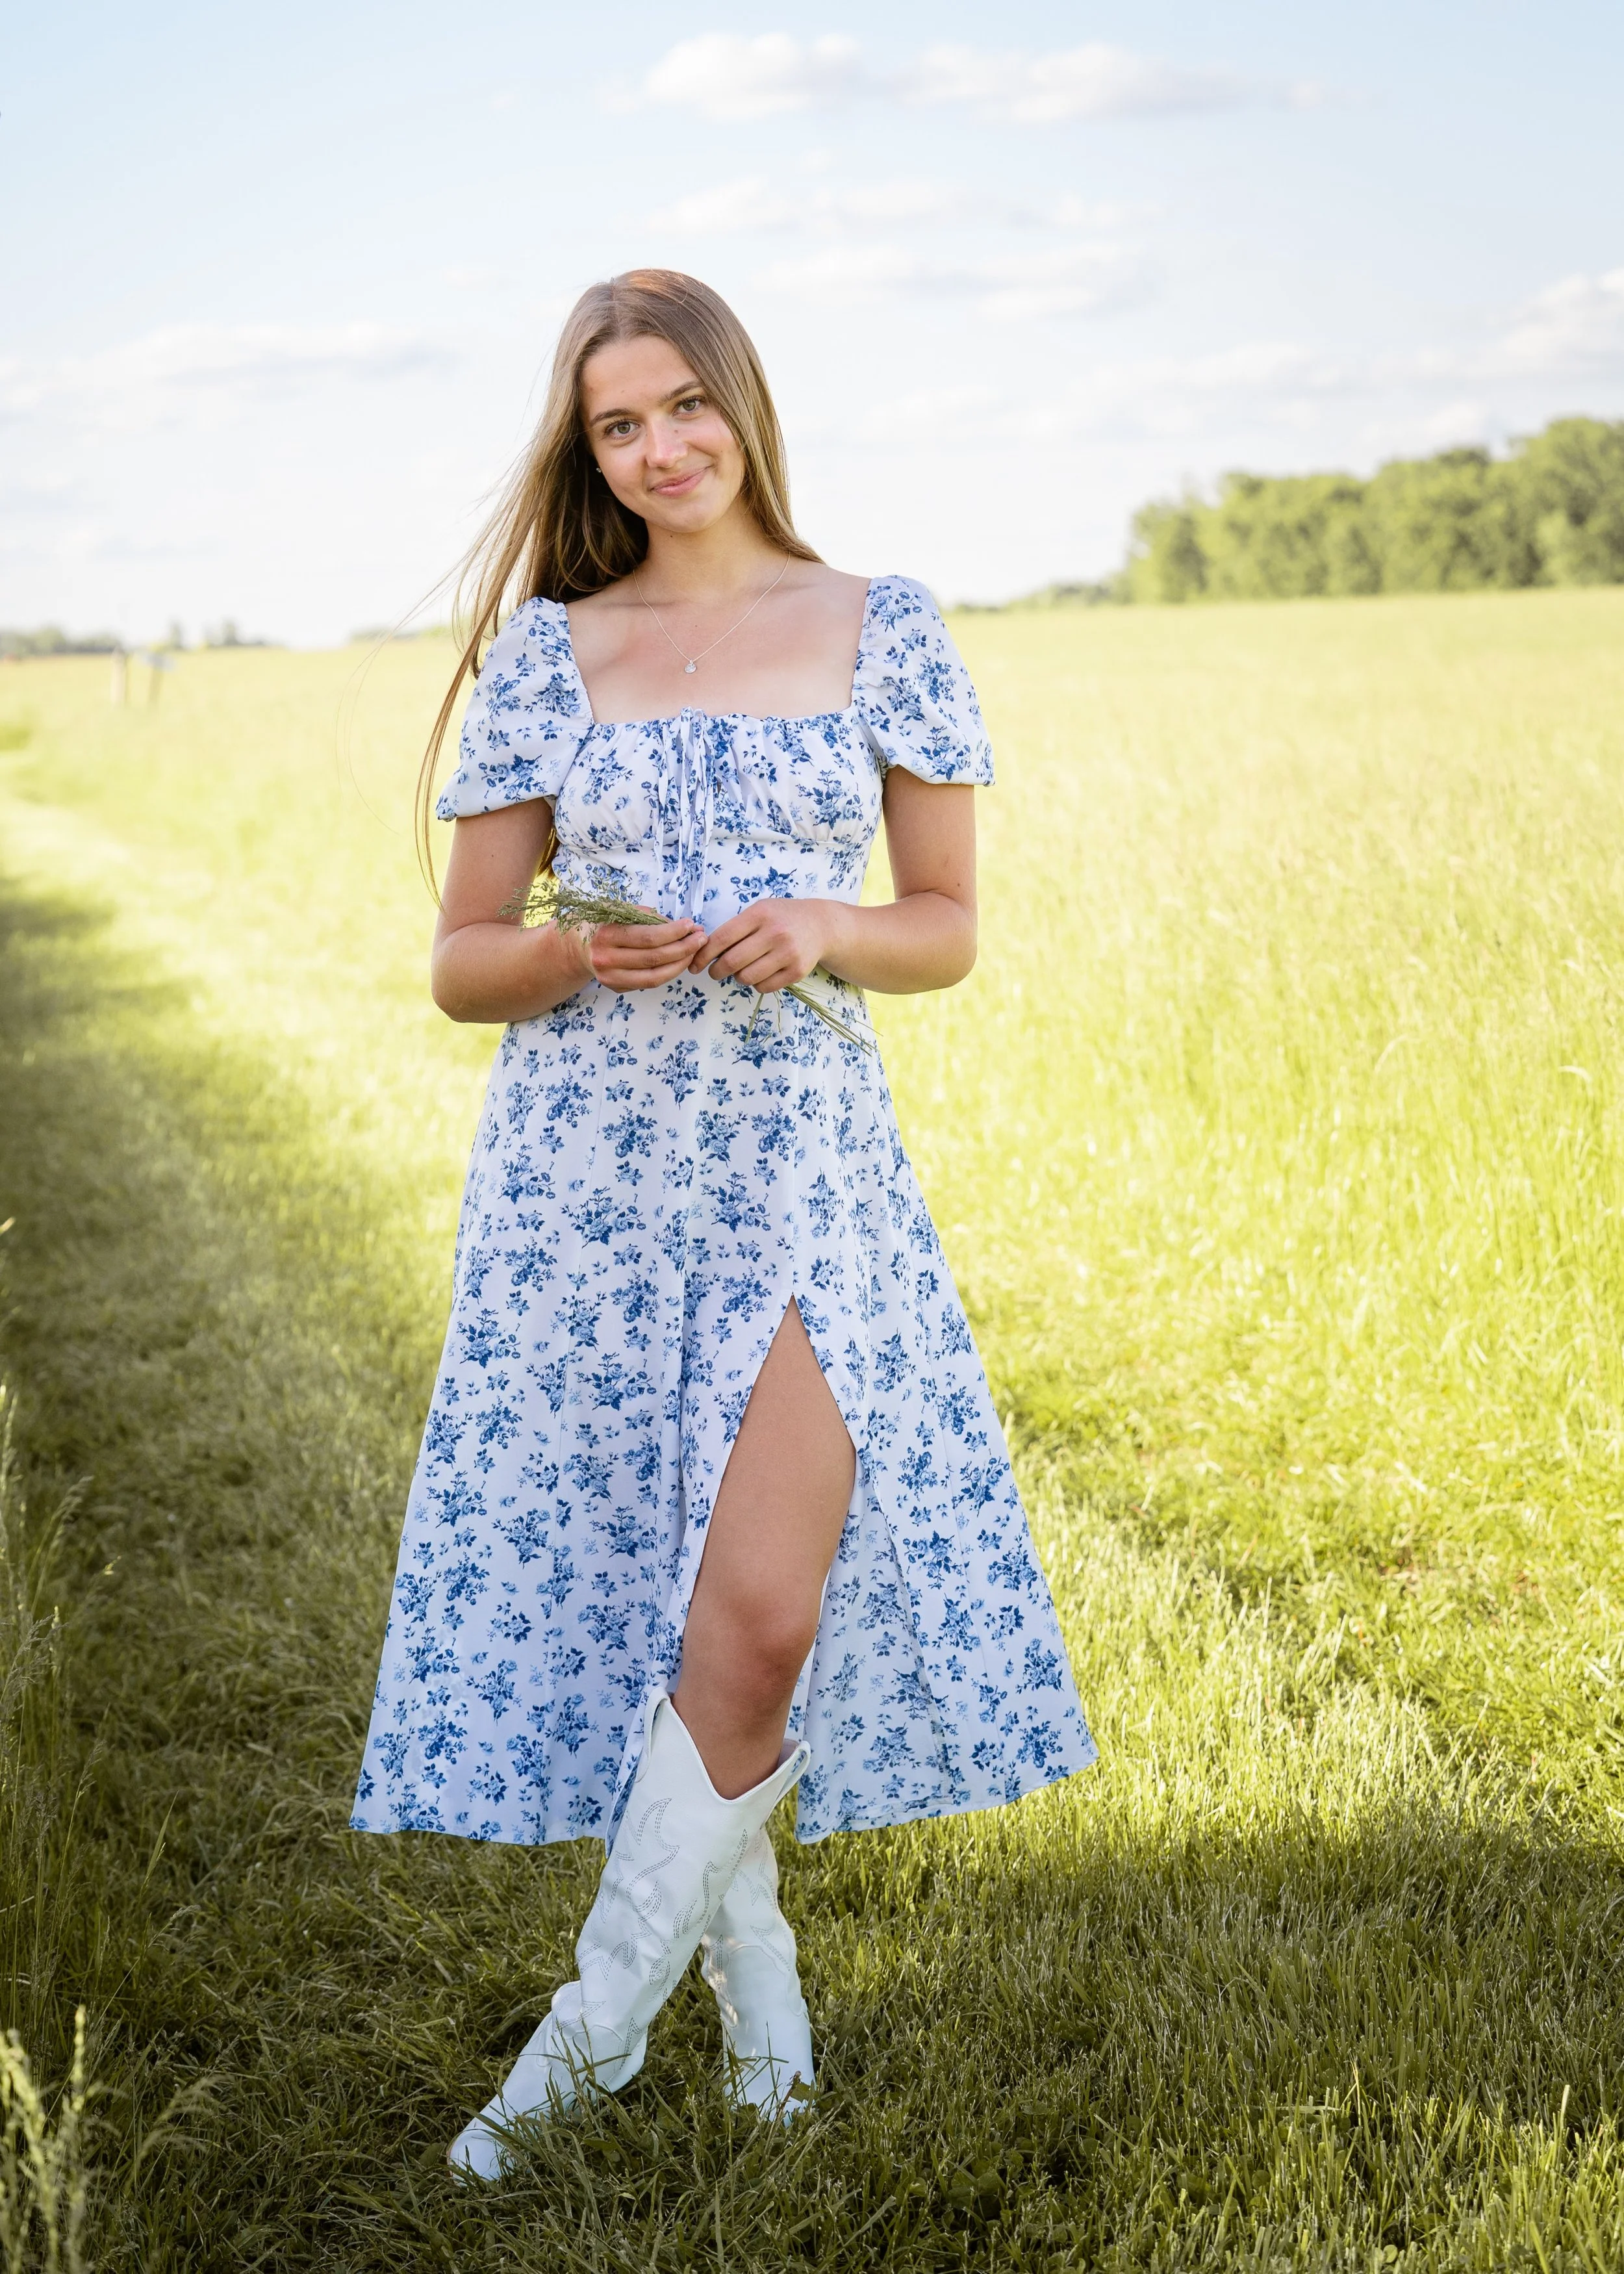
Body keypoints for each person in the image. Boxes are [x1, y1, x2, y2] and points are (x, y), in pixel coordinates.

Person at [350, 268, 1097, 2180]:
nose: (660, 447)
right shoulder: (549, 651)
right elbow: (458, 963)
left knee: (760, 1610)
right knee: (663, 1622)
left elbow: (940, 923)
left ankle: (569, 2052)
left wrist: (831, 928)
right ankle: (763, 2015)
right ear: (585, 448)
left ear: (743, 406)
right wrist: (579, 955)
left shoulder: (881, 626)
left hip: (798, 1172)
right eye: (618, 424)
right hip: (585, 1187)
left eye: (684, 405)